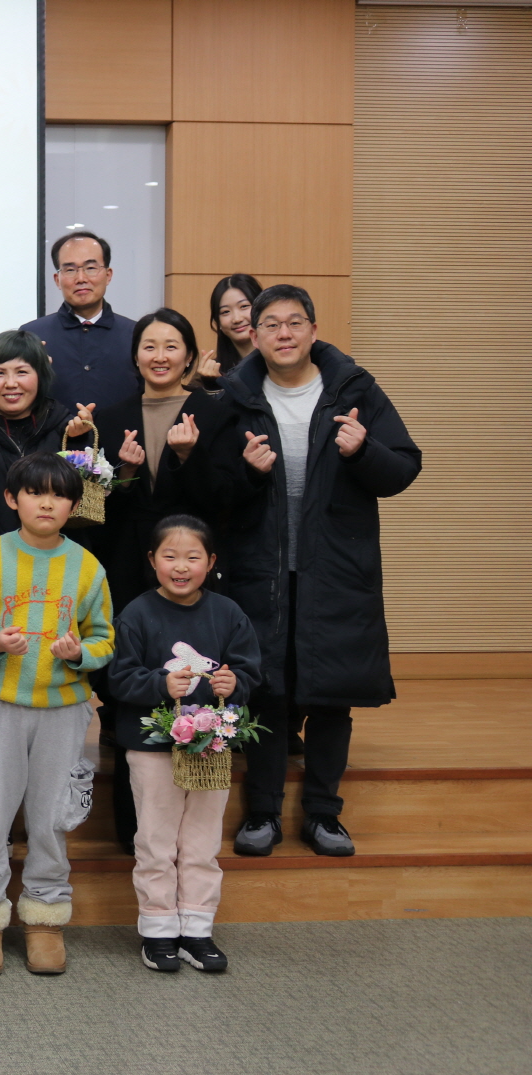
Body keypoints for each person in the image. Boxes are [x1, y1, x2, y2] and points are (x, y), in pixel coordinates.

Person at [211, 285, 420, 858]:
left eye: (295, 322)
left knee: (332, 693)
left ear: (313, 330)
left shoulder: (355, 388)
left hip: (336, 570)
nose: (284, 333)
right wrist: (247, 473)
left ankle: (325, 814)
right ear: (253, 334)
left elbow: (403, 469)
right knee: (266, 691)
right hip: (260, 570)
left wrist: (364, 450)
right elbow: (211, 491)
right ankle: (262, 813)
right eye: (271, 324)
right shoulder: (234, 396)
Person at [0, 453, 114, 977]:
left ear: (74, 505)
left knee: (51, 815)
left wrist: (79, 654)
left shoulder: (88, 567)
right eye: (35, 492)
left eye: (59, 495)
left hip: (63, 710)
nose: (47, 503)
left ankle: (45, 916)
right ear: (11, 499)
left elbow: (104, 639)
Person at [89, 308, 228, 850]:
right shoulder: (112, 416)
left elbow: (226, 499)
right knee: (134, 683)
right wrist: (123, 473)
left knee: (193, 681)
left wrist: (188, 457)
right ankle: (134, 830)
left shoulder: (214, 411)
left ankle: (192, 831)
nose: (160, 356)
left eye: (172, 346)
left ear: (189, 355)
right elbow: (96, 512)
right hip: (127, 569)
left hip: (193, 575)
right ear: (135, 355)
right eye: (149, 346)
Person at [108, 515, 261, 974]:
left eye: (192, 557)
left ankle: (197, 929)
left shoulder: (228, 613)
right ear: (152, 560)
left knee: (201, 841)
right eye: (170, 556)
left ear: (210, 562)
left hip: (211, 748)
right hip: (152, 749)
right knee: (156, 840)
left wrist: (235, 683)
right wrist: (160, 684)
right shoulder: (136, 613)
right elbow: (117, 678)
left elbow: (249, 672)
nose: (181, 566)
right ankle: (158, 932)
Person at [0, 331, 77, 550]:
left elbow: (80, 506)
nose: (11, 384)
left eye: (22, 372)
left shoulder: (65, 426)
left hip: (56, 555)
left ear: (40, 375)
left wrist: (79, 442)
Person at [21, 231, 139, 417]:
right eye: (70, 270)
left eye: (91, 268)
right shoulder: (31, 335)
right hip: (53, 437)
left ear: (108, 275)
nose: (81, 278)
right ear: (57, 280)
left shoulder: (136, 334)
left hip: (123, 436)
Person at [194, 273, 262, 387]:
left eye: (244, 306)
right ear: (218, 322)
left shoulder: (278, 364)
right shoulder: (210, 373)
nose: (237, 319)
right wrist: (213, 386)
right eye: (225, 312)